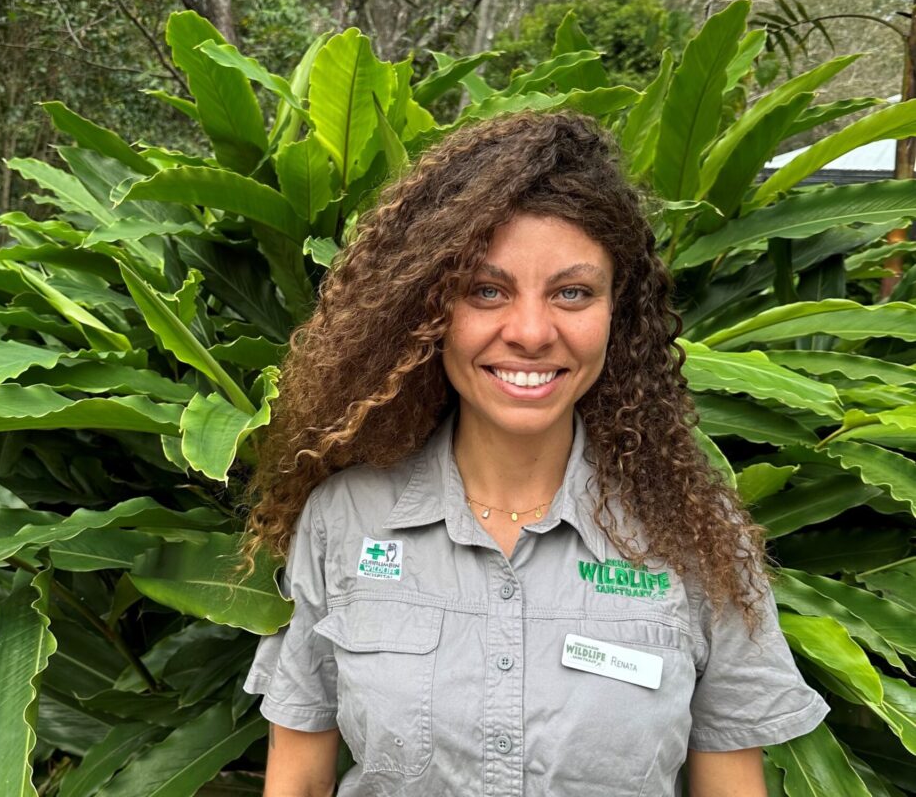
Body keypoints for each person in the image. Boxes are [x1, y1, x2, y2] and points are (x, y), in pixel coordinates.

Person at [241, 111, 828, 797]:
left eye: (571, 292)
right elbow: (299, 780)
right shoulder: (345, 521)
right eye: (485, 291)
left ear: (619, 312)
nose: (528, 332)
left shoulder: (696, 541)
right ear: (426, 310)